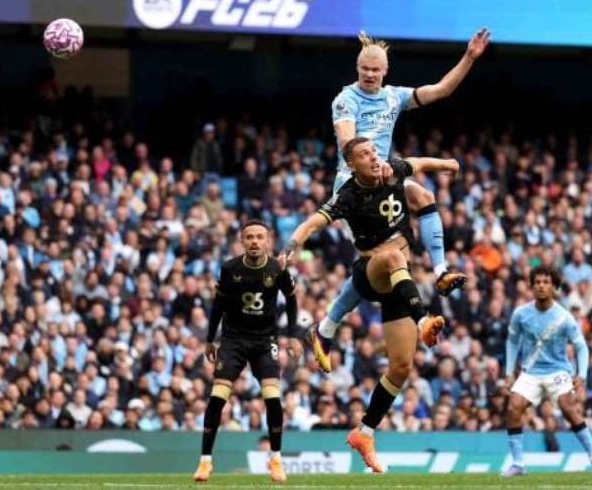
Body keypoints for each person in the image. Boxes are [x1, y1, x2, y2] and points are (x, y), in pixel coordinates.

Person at [310, 28, 491, 372]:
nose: (369, 74)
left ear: (385, 71)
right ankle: (327, 327)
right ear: (357, 67)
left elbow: (441, 89)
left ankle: (440, 271)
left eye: (375, 70)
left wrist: (469, 57)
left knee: (422, 197)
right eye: (364, 68)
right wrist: (372, 165)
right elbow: (348, 143)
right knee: (380, 261)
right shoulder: (345, 99)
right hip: (356, 185)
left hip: (386, 177)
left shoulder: (394, 97)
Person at [279, 137, 455, 472]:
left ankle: (365, 431)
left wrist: (448, 165)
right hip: (370, 273)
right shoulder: (348, 195)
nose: (374, 158)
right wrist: (289, 248)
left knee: (401, 366)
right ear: (351, 165)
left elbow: (419, 162)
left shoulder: (392, 170)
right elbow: (312, 223)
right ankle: (423, 320)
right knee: (392, 256)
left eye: (374, 151)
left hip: (399, 285)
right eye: (364, 155)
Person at [193, 220, 303, 483]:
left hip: (265, 341)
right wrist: (210, 340)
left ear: (268, 241)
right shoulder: (230, 268)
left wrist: (292, 336)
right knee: (218, 396)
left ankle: (275, 459)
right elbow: (218, 305)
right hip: (233, 340)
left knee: (272, 397)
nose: (255, 241)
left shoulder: (277, 268)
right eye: (249, 237)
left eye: (260, 237)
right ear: (241, 241)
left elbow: (291, 300)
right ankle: (205, 461)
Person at [502, 266, 592, 477]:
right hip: (531, 372)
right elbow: (512, 342)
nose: (541, 286)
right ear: (532, 286)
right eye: (537, 282)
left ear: (554, 287)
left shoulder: (564, 317)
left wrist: (582, 375)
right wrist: (509, 372)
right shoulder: (521, 313)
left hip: (557, 371)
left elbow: (581, 346)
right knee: (513, 408)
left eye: (546, 282)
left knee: (568, 408)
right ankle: (518, 463)